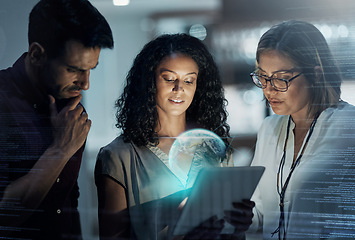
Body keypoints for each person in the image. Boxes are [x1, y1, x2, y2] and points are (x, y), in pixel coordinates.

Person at [95, 33, 255, 240]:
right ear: (149, 82)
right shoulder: (118, 157)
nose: (179, 89)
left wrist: (239, 225)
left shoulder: (216, 151)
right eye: (169, 78)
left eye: (189, 81)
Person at [0, 0, 113, 239]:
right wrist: (61, 149)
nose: (86, 84)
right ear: (37, 54)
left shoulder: (70, 106)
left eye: (91, 68)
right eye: (74, 69)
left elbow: (68, 200)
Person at [248, 20, 355, 239]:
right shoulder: (269, 129)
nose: (269, 89)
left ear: (315, 74)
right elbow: (259, 211)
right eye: (262, 76)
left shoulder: (348, 126)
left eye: (281, 79)